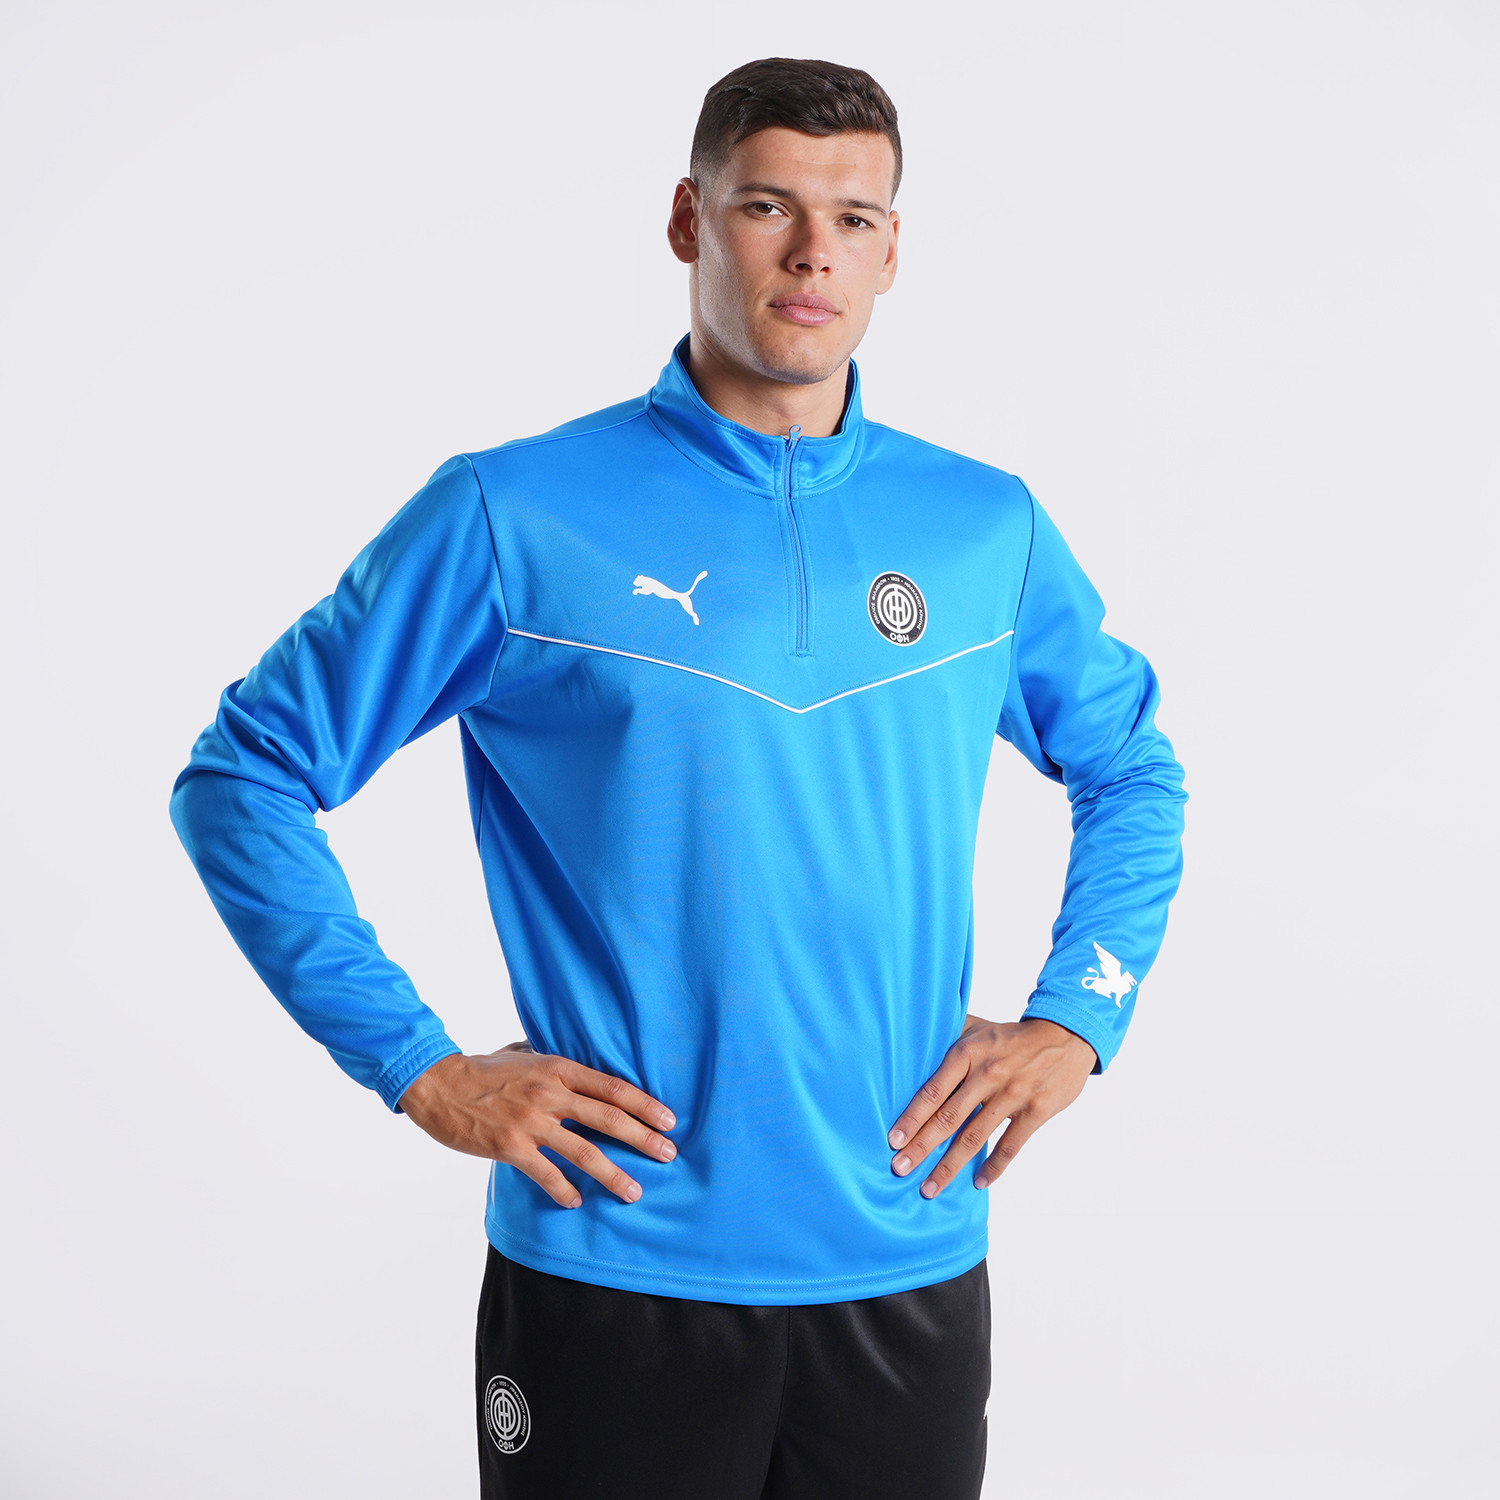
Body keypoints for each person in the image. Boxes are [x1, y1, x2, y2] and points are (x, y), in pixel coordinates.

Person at [170, 56, 1186, 1500]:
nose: (812, 251)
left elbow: (1131, 765)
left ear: (892, 250)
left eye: (852, 218)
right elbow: (247, 773)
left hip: (904, 1256)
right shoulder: (515, 513)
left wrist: (1078, 1018)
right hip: (614, 1262)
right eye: (768, 205)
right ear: (688, 220)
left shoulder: (983, 528)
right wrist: (421, 1069)